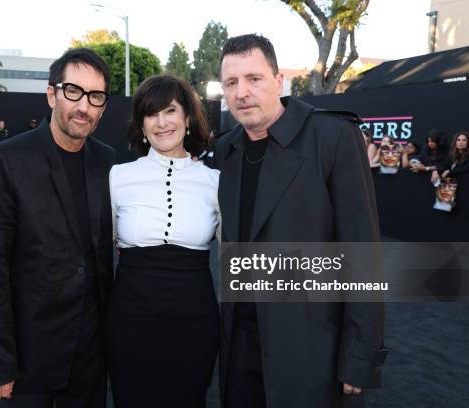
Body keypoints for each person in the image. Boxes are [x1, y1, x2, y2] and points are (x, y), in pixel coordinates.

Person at [213, 34, 387, 408]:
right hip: (239, 346)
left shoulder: (333, 136)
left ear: (279, 81)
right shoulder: (226, 149)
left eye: (254, 78)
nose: (242, 92)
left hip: (309, 348)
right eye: (231, 82)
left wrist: (359, 356)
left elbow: (362, 250)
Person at [0, 48, 115, 408]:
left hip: (90, 355)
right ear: (51, 94)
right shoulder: (7, 159)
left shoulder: (108, 161)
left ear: (103, 106)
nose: (83, 106)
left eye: (95, 96)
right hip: (29, 354)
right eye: (73, 91)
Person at [106, 75, 220, 408]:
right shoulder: (118, 177)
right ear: (141, 123)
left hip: (195, 321)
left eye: (170, 110)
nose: (162, 122)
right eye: (151, 113)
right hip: (129, 321)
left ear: (187, 117)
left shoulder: (215, 182)